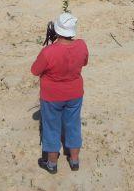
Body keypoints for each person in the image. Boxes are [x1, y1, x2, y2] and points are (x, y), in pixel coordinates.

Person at [31, 13, 89, 174]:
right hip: (75, 92)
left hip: (52, 96)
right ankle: (74, 160)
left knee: (51, 127)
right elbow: (84, 62)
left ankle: (51, 163)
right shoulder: (82, 45)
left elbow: (35, 70)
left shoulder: (48, 52)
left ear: (57, 30)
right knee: (73, 124)